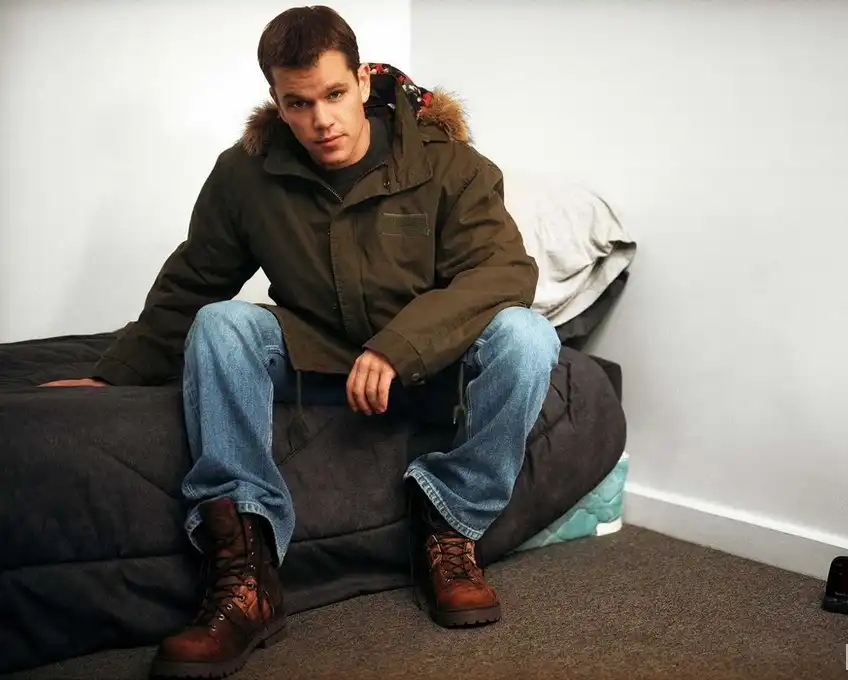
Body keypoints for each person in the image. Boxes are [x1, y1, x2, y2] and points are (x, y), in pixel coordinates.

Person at [40, 5, 560, 679]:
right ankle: (246, 571)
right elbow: (194, 280)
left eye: (335, 94)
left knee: (528, 335)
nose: (322, 120)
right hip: (320, 352)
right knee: (221, 323)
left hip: (430, 362)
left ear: (364, 81)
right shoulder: (246, 174)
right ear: (276, 101)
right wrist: (114, 373)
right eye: (299, 103)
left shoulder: (448, 165)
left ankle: (450, 524)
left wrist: (399, 345)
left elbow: (503, 272)